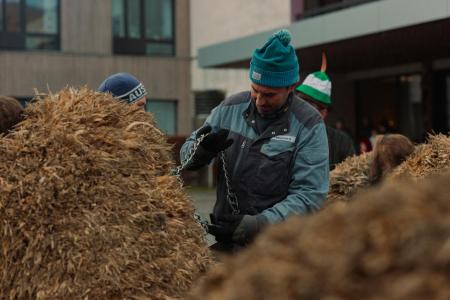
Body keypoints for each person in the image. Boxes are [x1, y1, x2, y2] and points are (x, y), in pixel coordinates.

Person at [180, 29, 329, 252]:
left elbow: (310, 196)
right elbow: (186, 154)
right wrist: (199, 151)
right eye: (254, 90)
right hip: (228, 241)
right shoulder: (229, 109)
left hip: (280, 249)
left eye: (269, 95)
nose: (259, 101)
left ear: (290, 87)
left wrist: (256, 226)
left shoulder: (308, 125)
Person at [295, 53, 355, 170]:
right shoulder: (281, 134)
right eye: (301, 104)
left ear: (324, 113)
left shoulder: (341, 142)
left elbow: (352, 179)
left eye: (311, 107)